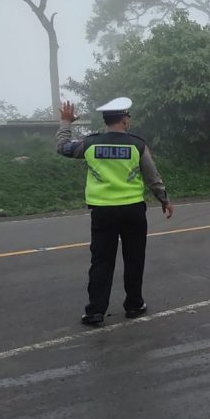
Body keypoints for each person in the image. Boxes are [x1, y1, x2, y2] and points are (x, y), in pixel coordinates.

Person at [57, 97, 174, 326]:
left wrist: (65, 122)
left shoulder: (90, 144)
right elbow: (152, 177)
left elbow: (63, 147)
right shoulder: (137, 145)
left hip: (103, 212)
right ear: (124, 120)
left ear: (106, 120)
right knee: (134, 259)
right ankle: (134, 305)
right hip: (133, 211)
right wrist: (164, 200)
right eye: (127, 118)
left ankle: (95, 311)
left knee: (101, 261)